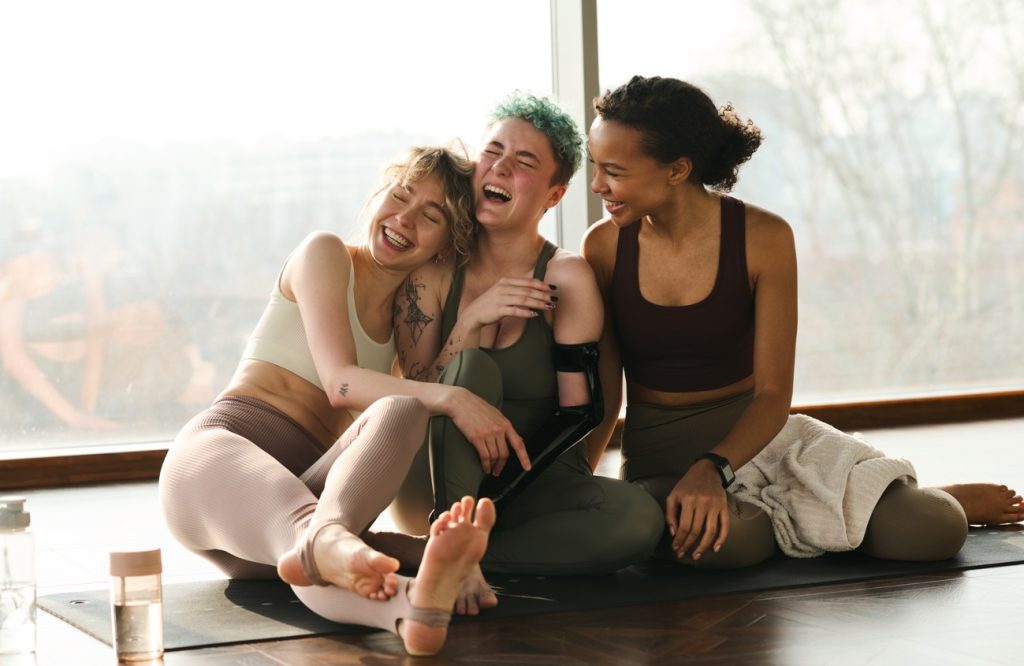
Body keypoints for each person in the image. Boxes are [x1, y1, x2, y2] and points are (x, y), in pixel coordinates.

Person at [581, 75, 1024, 569]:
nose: (598, 185)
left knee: (933, 528)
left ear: (678, 169)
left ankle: (924, 497)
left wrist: (714, 467)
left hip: (764, 442)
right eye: (594, 167)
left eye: (613, 171)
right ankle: (831, 511)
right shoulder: (602, 248)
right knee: (720, 547)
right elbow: (606, 388)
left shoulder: (763, 237)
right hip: (663, 457)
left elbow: (773, 395)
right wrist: (573, 478)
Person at [158, 146, 522, 656]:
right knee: (319, 530)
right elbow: (341, 383)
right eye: (399, 196)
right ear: (377, 197)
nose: (404, 218)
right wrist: (455, 397)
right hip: (219, 463)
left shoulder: (406, 325)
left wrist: (468, 321)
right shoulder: (324, 254)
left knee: (402, 412)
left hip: (296, 509)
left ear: (446, 246)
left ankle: (411, 606)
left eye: (431, 216)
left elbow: (422, 387)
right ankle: (359, 547)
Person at [391, 93, 664, 574]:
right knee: (470, 367)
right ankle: (453, 542)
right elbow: (416, 395)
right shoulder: (431, 272)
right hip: (435, 483)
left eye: (523, 162)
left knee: (639, 517)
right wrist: (471, 320)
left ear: (554, 195)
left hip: (533, 478)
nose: (498, 168)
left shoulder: (565, 278)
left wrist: (506, 489)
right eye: (491, 152)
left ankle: (444, 557)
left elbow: (578, 413)